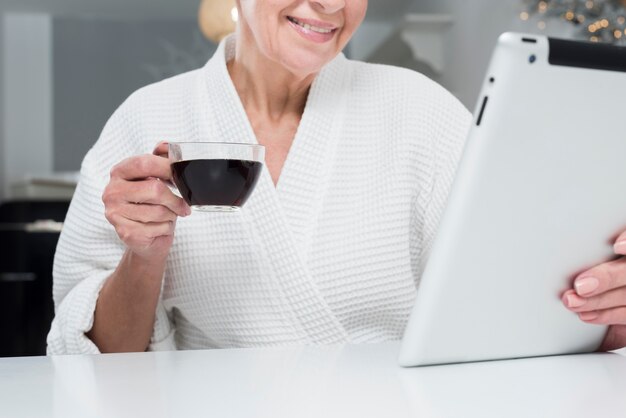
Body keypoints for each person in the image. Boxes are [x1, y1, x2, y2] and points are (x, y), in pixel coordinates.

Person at [47, 0, 626, 354]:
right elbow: (98, 358)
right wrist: (143, 258)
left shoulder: (419, 109)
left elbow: (503, 301)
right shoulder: (148, 117)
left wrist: (603, 309)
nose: (329, 2)